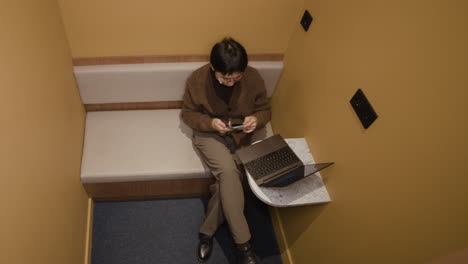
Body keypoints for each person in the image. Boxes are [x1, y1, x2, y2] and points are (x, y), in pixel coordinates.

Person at [181, 37, 271, 264]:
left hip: (243, 136)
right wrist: (210, 124)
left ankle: (206, 232)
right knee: (231, 173)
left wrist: (255, 119)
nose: (231, 83)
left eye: (236, 78)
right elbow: (188, 114)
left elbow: (265, 110)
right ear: (213, 68)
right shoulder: (197, 80)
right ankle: (244, 245)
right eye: (225, 78)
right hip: (210, 135)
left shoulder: (254, 77)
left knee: (227, 183)